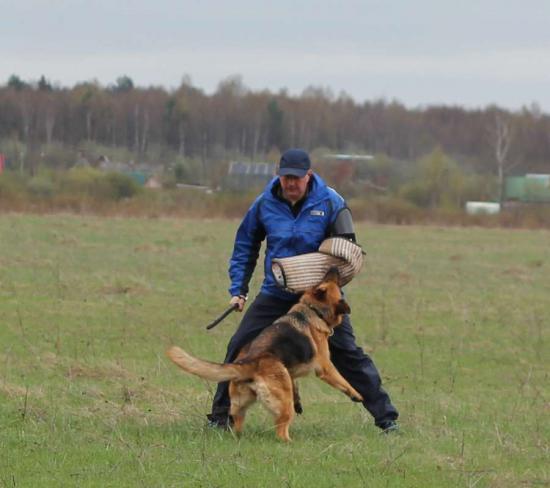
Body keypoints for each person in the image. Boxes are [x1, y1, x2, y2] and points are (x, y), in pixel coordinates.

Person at [207, 148, 399, 432]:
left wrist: (334, 282)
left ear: (309, 176)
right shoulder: (264, 204)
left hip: (319, 298)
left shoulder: (331, 202)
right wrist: (239, 289)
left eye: (297, 178)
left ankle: (386, 419)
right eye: (286, 178)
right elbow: (245, 246)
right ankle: (220, 417)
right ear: (279, 176)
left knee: (347, 353)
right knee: (240, 345)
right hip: (276, 291)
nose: (291, 184)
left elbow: (348, 248)